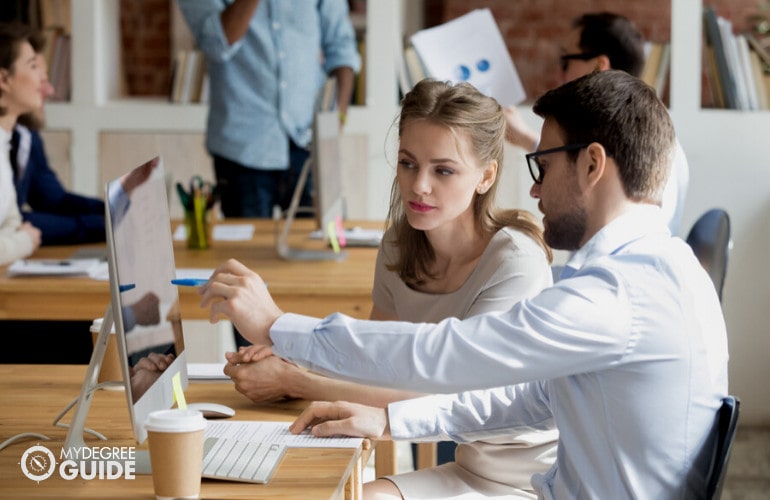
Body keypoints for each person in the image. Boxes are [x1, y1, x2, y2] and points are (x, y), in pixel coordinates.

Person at [199, 71, 728, 498]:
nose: (537, 189)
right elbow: (530, 400)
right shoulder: (659, 269)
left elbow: (448, 353)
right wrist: (390, 422)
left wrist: (277, 326)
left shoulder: (618, 296)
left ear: (591, 165)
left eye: (543, 165)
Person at [224, 79, 557, 498]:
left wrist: (297, 380)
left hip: (531, 483)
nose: (419, 185)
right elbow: (374, 362)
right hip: (467, 467)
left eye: (443, 170)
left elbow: (444, 390)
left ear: (486, 176)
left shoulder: (515, 261)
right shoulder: (399, 245)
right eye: (408, 163)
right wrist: (292, 354)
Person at [505, 12, 689, 236]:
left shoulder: (638, 145)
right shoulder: (654, 135)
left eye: (566, 61)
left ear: (600, 65)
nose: (560, 75)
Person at [176, 0, 361, 218]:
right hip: (242, 151)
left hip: (308, 142)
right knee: (247, 251)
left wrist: (337, 117)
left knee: (315, 246)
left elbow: (341, 47)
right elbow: (215, 44)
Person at [11, 50, 105, 246]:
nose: (49, 91)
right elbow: (11, 223)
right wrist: (105, 226)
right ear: (4, 80)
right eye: (39, 78)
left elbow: (53, 199)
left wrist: (113, 211)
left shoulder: (27, 135)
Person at [0, 23, 41, 265]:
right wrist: (23, 242)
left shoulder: (4, 141)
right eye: (33, 66)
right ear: (4, 79)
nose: (42, 79)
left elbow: (12, 221)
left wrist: (12, 242)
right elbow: (20, 233)